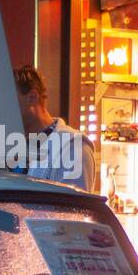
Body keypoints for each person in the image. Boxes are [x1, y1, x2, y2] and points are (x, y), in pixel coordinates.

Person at [13, 65, 98, 194]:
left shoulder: (74, 147)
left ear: (32, 97)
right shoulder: (16, 145)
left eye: (10, 99)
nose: (3, 107)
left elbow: (72, 211)